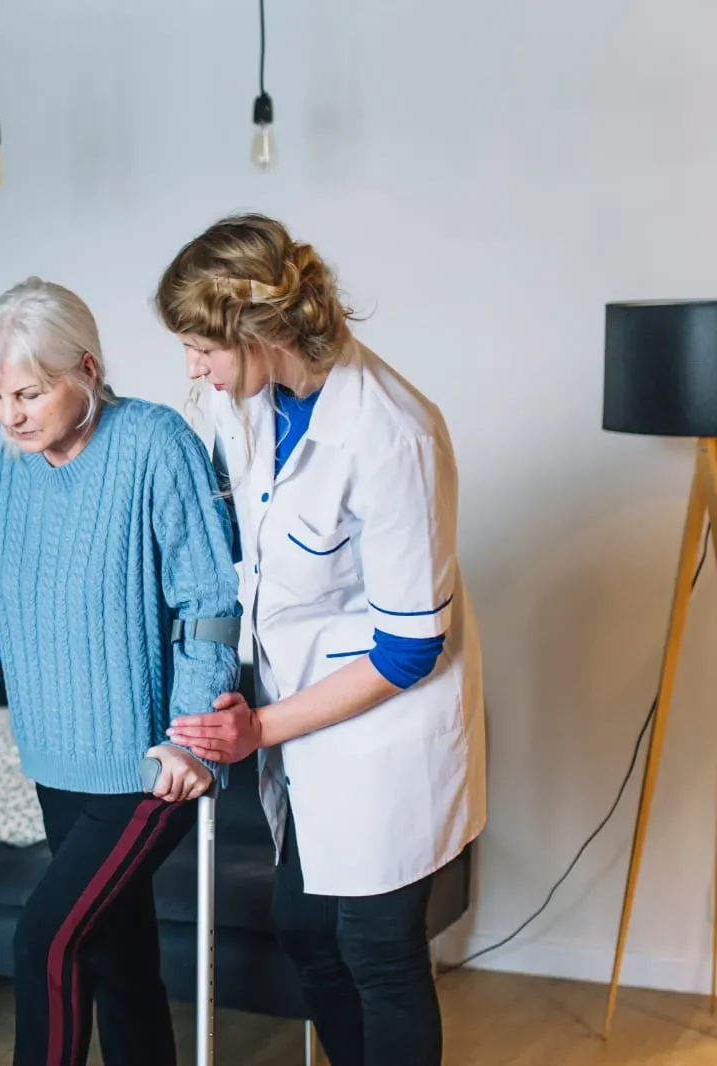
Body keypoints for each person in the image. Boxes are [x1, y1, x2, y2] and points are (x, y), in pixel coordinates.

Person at [152, 213, 487, 1066]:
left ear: (258, 330)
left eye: (201, 346)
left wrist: (259, 728)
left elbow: (411, 647)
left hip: (385, 727)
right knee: (304, 928)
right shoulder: (252, 404)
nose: (192, 367)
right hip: (306, 725)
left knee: (378, 949)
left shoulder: (391, 432)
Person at [0, 277, 242, 1066]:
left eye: (28, 391)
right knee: (114, 954)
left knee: (45, 941)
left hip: (149, 766)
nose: (11, 414)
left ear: (86, 369)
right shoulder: (5, 458)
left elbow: (209, 601)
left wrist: (192, 740)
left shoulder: (155, 443)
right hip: (55, 755)